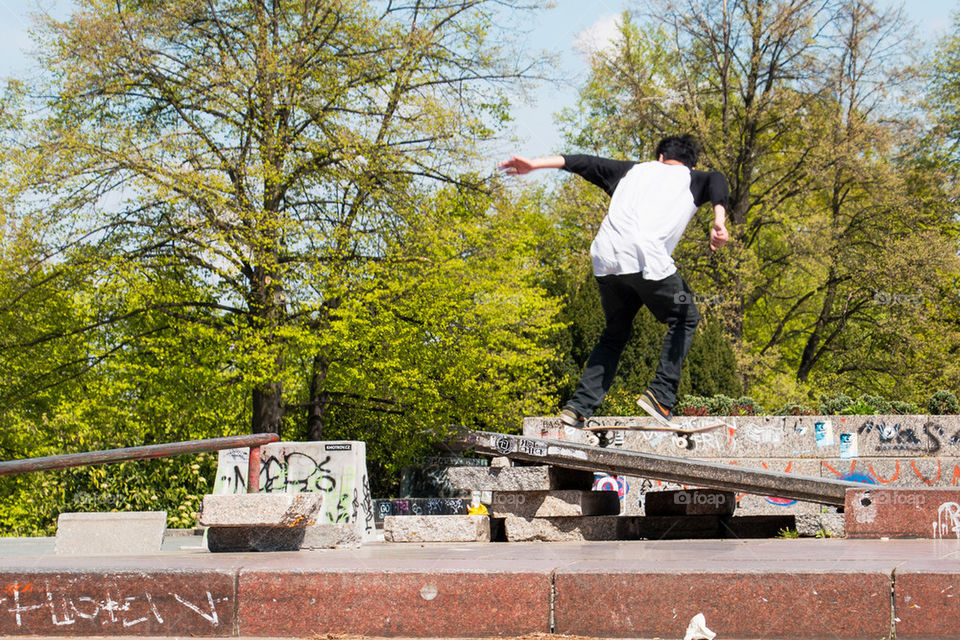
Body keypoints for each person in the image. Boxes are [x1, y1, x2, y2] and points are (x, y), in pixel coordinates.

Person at [499, 135, 730, 429]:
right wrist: (719, 222)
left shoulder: (631, 170)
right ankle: (660, 395)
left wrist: (534, 164)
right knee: (686, 315)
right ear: (690, 163)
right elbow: (718, 180)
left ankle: (579, 407)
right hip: (646, 260)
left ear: (659, 157)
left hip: (606, 260)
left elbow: (581, 162)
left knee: (614, 333)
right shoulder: (693, 177)